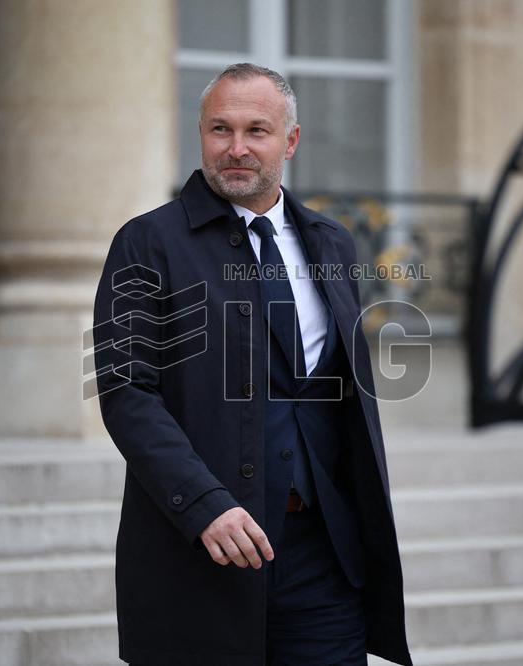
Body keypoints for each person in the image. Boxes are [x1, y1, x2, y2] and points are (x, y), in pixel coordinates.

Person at [92, 63, 412, 666]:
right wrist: (204, 504)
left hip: (324, 562)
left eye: (257, 131)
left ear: (290, 141)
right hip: (200, 557)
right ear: (202, 135)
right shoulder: (147, 242)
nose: (236, 149)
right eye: (220, 129)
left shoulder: (334, 243)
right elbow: (125, 390)